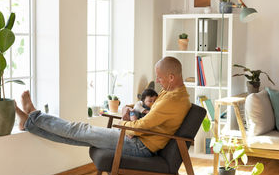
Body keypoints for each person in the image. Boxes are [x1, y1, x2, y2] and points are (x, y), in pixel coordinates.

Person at [16, 56, 191, 157]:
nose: (158, 81)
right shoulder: (172, 93)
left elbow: (144, 125)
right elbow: (151, 114)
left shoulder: (173, 100)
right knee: (77, 136)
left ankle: (34, 115)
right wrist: (128, 108)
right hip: (138, 137)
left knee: (80, 130)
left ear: (171, 77)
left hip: (139, 144)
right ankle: (29, 122)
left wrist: (124, 126)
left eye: (159, 78)